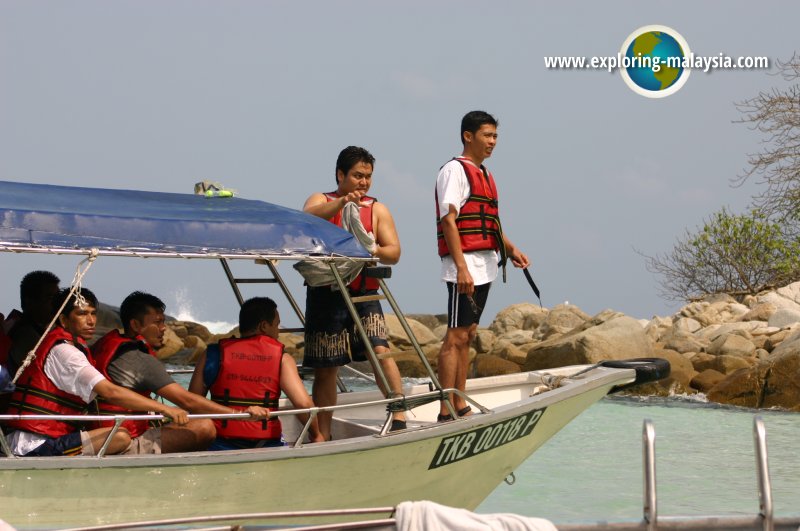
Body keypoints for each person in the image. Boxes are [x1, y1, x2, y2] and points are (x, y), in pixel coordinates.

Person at [3, 287, 190, 457]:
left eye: (93, 313)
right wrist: (165, 408)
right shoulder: (65, 352)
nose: (91, 320)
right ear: (64, 320)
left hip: (52, 436)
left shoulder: (75, 347)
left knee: (120, 435)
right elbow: (110, 392)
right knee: (120, 437)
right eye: (82, 314)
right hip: (34, 444)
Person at [301, 146, 405, 440]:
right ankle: (323, 433)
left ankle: (398, 414)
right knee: (326, 367)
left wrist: (373, 248)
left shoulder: (378, 209)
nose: (364, 182)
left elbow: (394, 252)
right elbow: (307, 218)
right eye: (358, 176)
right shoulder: (321, 200)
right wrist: (343, 203)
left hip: (363, 293)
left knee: (380, 351)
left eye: (368, 177)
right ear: (340, 175)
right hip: (327, 293)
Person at [435, 111, 530, 421]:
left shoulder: (486, 174)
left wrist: (511, 248)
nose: (493, 142)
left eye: (495, 137)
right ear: (468, 136)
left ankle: (459, 401)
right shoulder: (454, 171)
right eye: (487, 135)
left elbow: (490, 221)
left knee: (469, 333)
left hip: (486, 264)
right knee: (455, 336)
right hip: (464, 264)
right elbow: (448, 220)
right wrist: (461, 267)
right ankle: (445, 408)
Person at [91, 291, 268, 454]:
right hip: (126, 439)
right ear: (136, 325)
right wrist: (239, 415)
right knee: (204, 427)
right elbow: (187, 400)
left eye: (163, 321)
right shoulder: (138, 359)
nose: (164, 328)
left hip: (106, 431)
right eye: (158, 322)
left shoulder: (107, 345)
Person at [189, 296, 325, 449]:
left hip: (218, 442)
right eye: (277, 325)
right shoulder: (282, 359)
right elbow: (304, 404)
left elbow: (193, 401)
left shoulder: (212, 354)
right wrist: (316, 434)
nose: (278, 331)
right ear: (264, 326)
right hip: (266, 444)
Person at [3, 271, 61, 376]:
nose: (57, 304)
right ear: (29, 302)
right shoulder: (23, 334)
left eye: (58, 298)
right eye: (50, 298)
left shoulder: (45, 329)